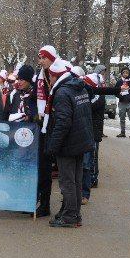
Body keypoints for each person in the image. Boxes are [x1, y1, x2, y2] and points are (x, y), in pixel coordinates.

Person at [43, 60, 94, 228]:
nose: (48, 79)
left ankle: (70, 215)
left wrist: (53, 146)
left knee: (67, 181)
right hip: (81, 140)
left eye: (49, 75)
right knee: (76, 180)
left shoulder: (62, 93)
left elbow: (63, 122)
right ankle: (74, 213)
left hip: (68, 143)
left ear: (54, 75)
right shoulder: (79, 87)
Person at [81, 74, 120, 203]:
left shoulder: (98, 98)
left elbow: (87, 107)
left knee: (90, 161)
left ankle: (91, 181)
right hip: (84, 133)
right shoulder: (87, 96)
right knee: (85, 162)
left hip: (93, 133)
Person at [36, 45, 59, 216]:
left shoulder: (60, 74)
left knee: (65, 169)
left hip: (58, 124)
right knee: (44, 167)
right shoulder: (41, 75)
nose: (42, 61)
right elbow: (36, 98)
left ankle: (69, 207)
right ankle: (44, 203)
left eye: (45, 57)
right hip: (44, 124)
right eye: (41, 58)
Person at [115, 66, 130, 138]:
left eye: (126, 72)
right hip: (122, 102)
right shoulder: (119, 81)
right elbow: (115, 91)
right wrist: (120, 96)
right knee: (122, 118)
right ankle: (122, 132)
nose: (125, 74)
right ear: (121, 74)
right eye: (123, 72)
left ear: (129, 73)